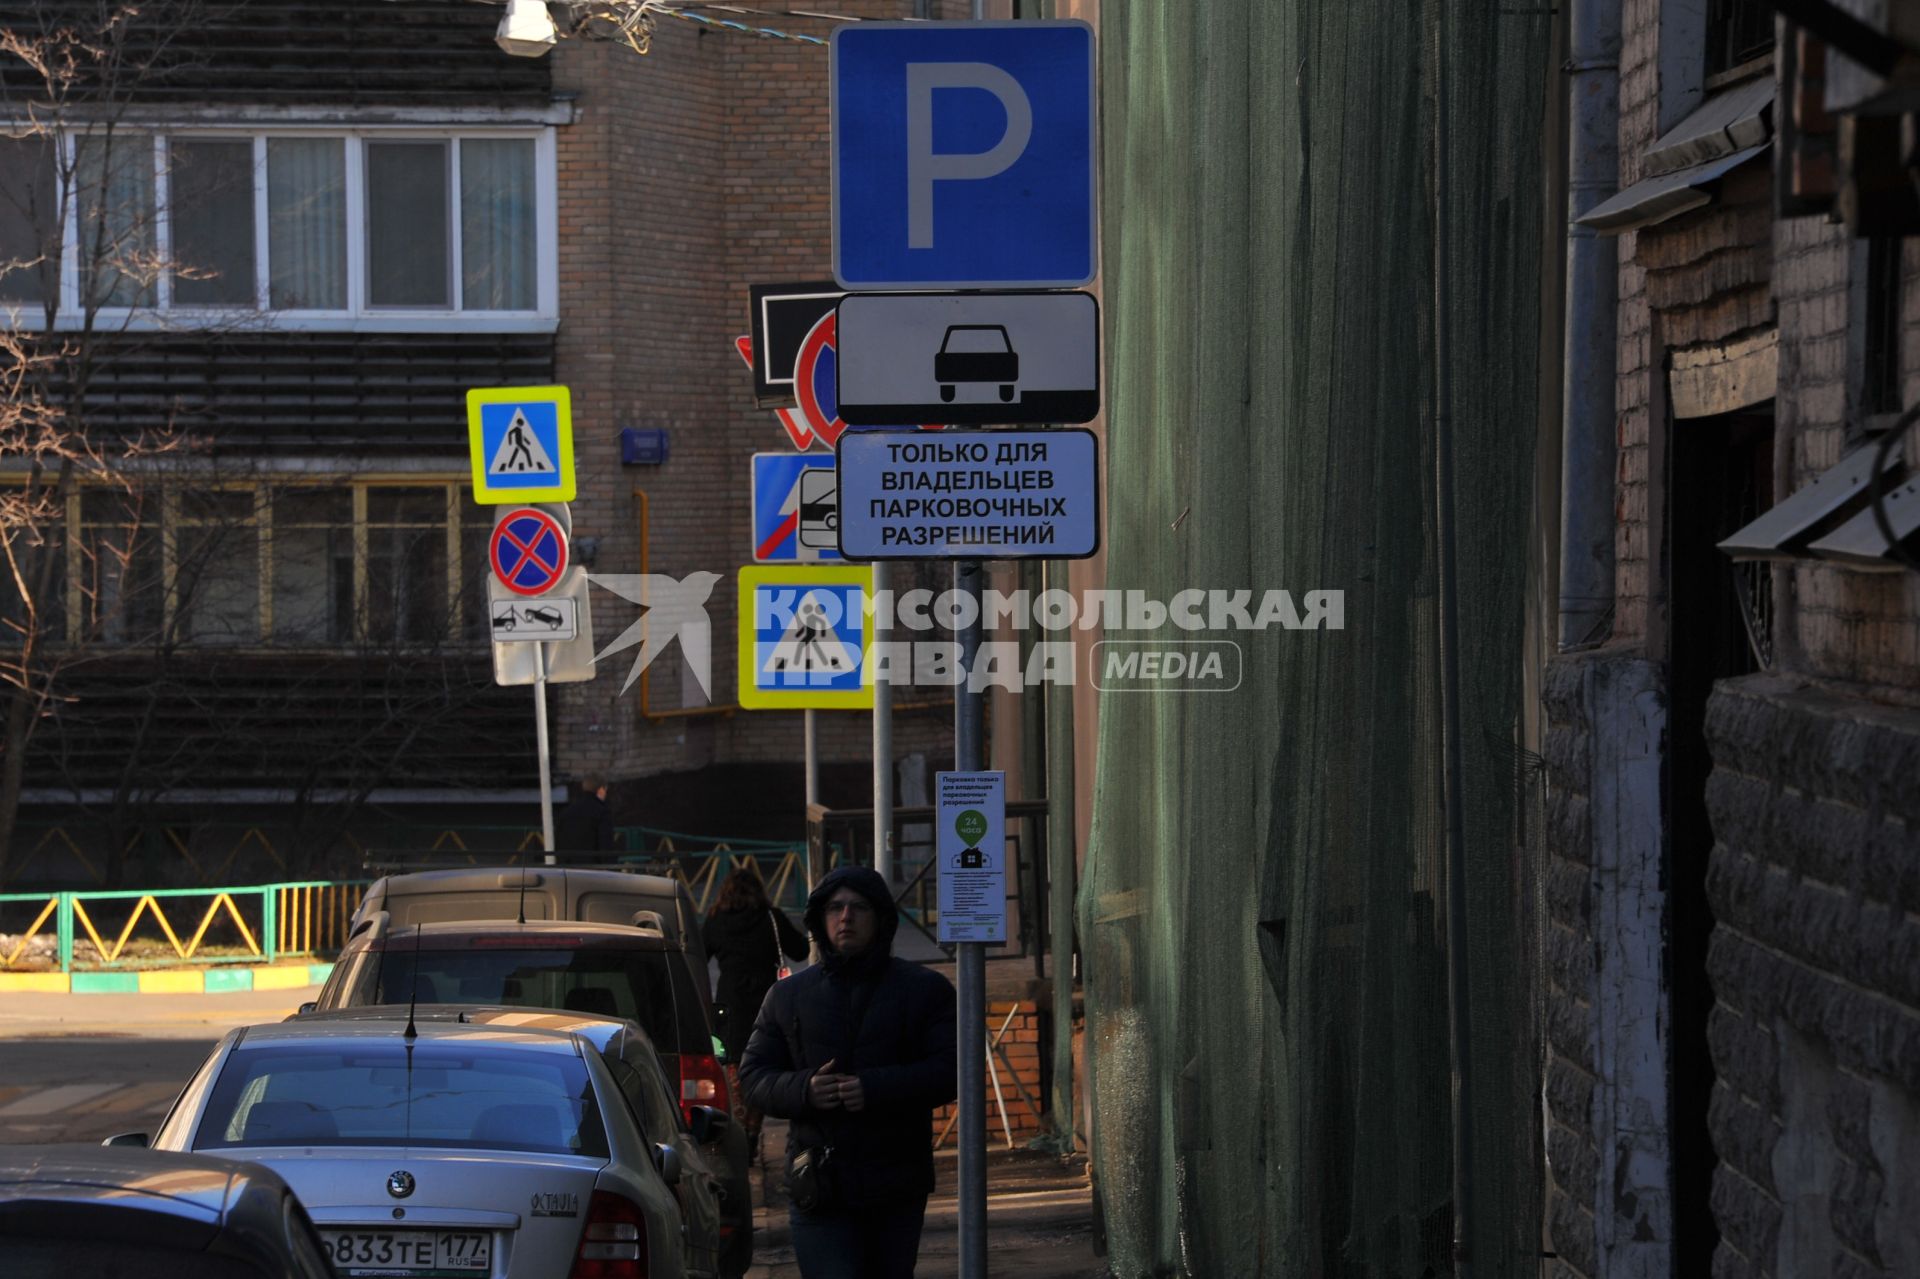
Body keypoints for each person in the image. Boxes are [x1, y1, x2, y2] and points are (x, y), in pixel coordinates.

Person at [739, 866, 956, 1279]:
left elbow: (950, 1071)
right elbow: (754, 1077)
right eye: (835, 908)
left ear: (880, 918)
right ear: (821, 919)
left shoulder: (924, 990)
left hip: (894, 1184)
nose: (846, 917)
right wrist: (805, 1089)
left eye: (858, 908)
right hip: (819, 1187)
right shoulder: (788, 995)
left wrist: (874, 1088)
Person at [702, 868, 809, 1152]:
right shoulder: (771, 918)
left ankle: (739, 1134)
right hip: (766, 1002)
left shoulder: (715, 920)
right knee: (762, 1066)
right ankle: (752, 1131)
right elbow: (799, 950)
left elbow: (699, 956)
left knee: (735, 1069)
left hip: (730, 1003)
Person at [553, 775, 614, 851]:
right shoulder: (602, 813)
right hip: (592, 861)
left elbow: (558, 841)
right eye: (606, 790)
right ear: (601, 790)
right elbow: (606, 845)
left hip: (569, 861)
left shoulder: (567, 811)